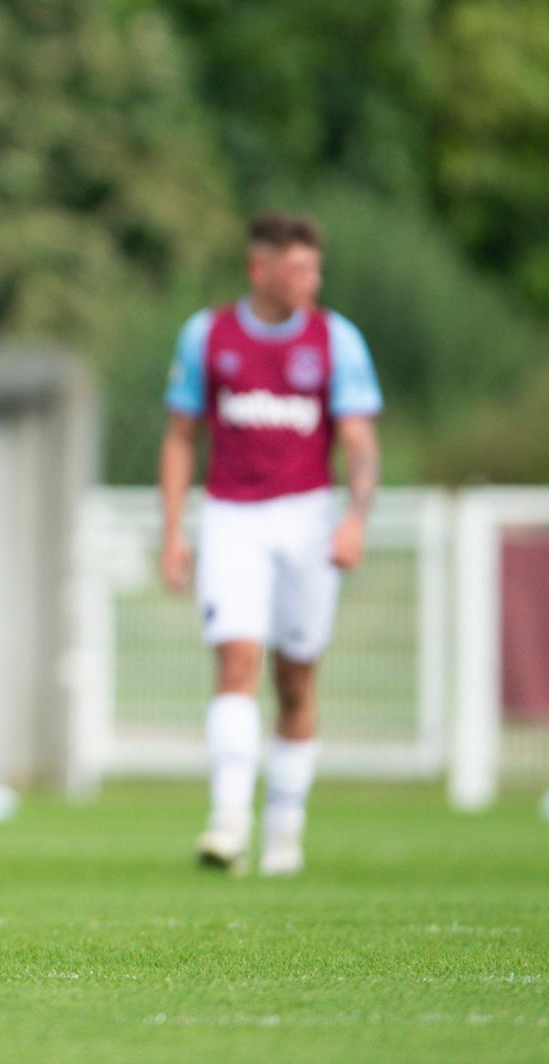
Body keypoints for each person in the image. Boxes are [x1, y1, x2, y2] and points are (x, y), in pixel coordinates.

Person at [159, 212, 381, 877]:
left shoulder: (336, 339)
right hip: (232, 516)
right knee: (236, 660)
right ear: (261, 270)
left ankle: (285, 827)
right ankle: (229, 821)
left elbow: (359, 441)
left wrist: (355, 518)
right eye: (299, 268)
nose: (312, 280)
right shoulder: (207, 335)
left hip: (308, 518)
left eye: (315, 268)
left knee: (295, 678)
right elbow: (181, 436)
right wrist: (173, 529)